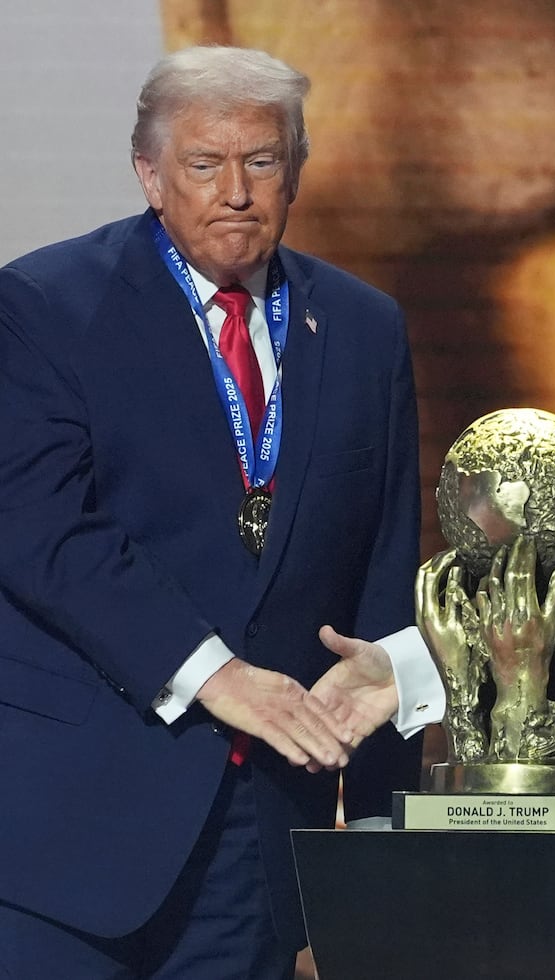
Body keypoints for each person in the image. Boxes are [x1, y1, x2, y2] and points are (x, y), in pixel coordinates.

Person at [0, 46, 436, 979]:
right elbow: (39, 531)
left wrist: (383, 831)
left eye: (263, 161)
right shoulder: (43, 305)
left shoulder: (364, 327)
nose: (236, 191)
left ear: (296, 174)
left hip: (265, 838)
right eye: (205, 164)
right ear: (150, 176)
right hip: (72, 835)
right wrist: (210, 672)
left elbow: (382, 572)